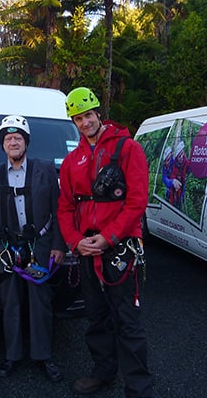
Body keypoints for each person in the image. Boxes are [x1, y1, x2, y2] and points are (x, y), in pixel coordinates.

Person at [57, 87, 158, 397]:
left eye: (88, 115)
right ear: (73, 122)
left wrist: (109, 236)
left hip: (120, 248)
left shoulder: (128, 149)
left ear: (98, 113)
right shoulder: (73, 159)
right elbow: (65, 207)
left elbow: (137, 201)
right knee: (96, 317)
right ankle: (103, 372)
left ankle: (138, 387)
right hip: (87, 249)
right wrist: (76, 241)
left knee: (127, 319)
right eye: (78, 118)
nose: (85, 122)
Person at [0, 115, 67, 382]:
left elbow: (58, 210)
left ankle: (43, 356)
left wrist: (58, 245)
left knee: (40, 303)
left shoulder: (45, 171)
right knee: (11, 303)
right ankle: (12, 356)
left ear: (26, 142)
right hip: (7, 249)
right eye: (8, 138)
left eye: (18, 138)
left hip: (39, 247)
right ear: (2, 145)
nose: (13, 142)